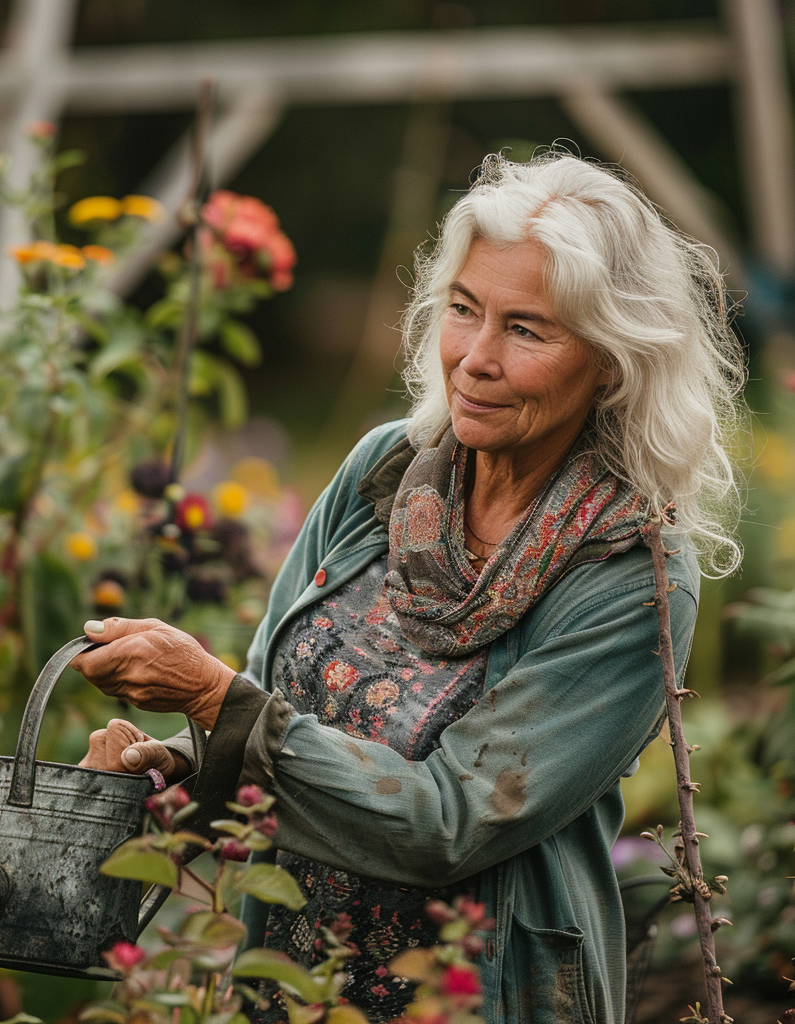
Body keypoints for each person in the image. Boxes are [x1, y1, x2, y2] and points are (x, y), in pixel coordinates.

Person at [72, 151, 745, 1024]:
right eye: (464, 311)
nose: (474, 358)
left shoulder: (631, 570)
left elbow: (454, 819)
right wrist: (174, 766)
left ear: (612, 363)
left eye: (527, 330)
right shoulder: (384, 474)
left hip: (480, 995)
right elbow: (279, 716)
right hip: (290, 983)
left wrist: (213, 697)